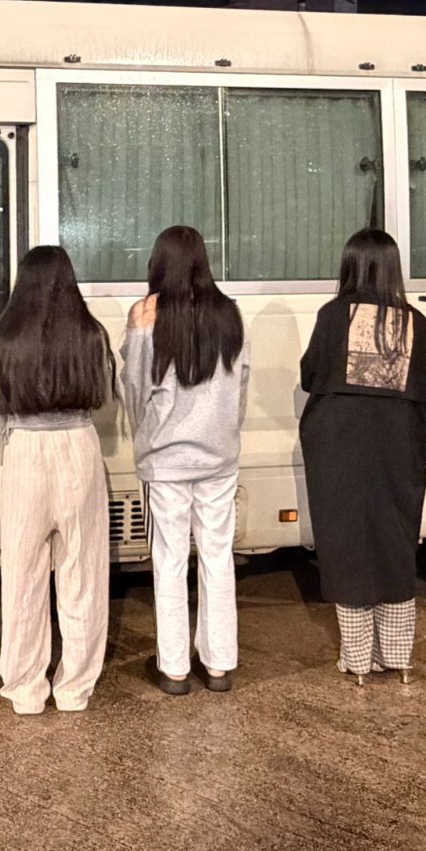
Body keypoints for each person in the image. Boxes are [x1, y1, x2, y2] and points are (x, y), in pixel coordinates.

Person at [0, 245, 115, 715]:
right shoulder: (90, 334)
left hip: (24, 451)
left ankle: (25, 688)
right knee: (83, 573)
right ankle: (74, 688)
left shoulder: (5, 336)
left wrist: (17, 437)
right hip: (79, 445)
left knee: (22, 576)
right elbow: (101, 395)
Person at [299, 229, 426, 684]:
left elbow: (310, 374)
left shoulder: (334, 315)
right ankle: (398, 656)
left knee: (346, 543)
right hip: (399, 445)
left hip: (337, 446)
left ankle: (357, 659)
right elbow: (423, 391)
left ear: (350, 266)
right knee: (395, 539)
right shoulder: (416, 323)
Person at [121, 226, 250, 695]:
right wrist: (225, 433)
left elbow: (135, 387)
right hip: (219, 457)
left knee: (170, 559)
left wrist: (147, 434)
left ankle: (174, 668)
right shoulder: (229, 313)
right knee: (218, 557)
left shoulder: (146, 314)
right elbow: (241, 384)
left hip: (166, 459)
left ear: (159, 262)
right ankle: (219, 665)